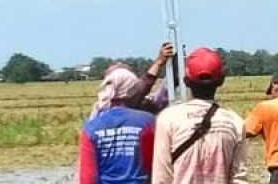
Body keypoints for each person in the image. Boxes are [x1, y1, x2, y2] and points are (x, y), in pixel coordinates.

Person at [150, 47, 247, 184]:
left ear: (186, 81)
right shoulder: (235, 122)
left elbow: (161, 177)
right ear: (221, 80)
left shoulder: (168, 119)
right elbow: (238, 178)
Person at [78, 66, 157, 184]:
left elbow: (87, 177)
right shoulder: (148, 121)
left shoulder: (92, 127)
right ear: (132, 91)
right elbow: (156, 163)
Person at [92, 42, 176, 120]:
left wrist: (160, 62)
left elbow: (146, 85)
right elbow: (146, 85)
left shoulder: (99, 112)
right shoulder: (138, 109)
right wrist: (160, 62)